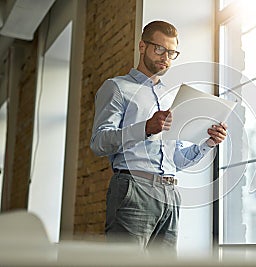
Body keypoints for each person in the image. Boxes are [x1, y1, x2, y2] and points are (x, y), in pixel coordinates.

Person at [90, 20, 227, 253]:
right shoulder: (117, 88)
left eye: (172, 52)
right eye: (159, 49)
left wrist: (208, 143)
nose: (166, 57)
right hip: (133, 188)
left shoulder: (172, 97)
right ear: (142, 46)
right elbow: (99, 143)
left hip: (170, 194)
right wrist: (145, 128)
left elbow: (177, 160)